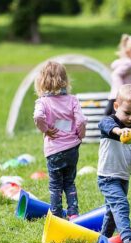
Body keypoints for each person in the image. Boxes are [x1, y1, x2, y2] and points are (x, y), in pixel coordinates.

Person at [98, 84, 131, 243]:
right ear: (116, 106)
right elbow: (103, 125)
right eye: (127, 113)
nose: (130, 118)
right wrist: (119, 131)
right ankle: (128, 240)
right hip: (107, 177)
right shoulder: (110, 122)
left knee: (112, 213)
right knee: (121, 205)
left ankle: (103, 241)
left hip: (123, 178)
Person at [33, 61, 87, 219]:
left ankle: (56, 216)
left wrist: (45, 129)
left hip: (54, 150)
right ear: (65, 80)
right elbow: (81, 121)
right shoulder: (72, 100)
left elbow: (37, 116)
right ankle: (74, 214)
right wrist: (80, 135)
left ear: (41, 81)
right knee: (70, 182)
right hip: (72, 148)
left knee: (55, 185)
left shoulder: (43, 102)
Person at [105, 34, 131, 116]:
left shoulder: (130, 63)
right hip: (120, 98)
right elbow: (116, 75)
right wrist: (122, 92)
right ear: (129, 52)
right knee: (117, 121)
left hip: (115, 97)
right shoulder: (129, 63)